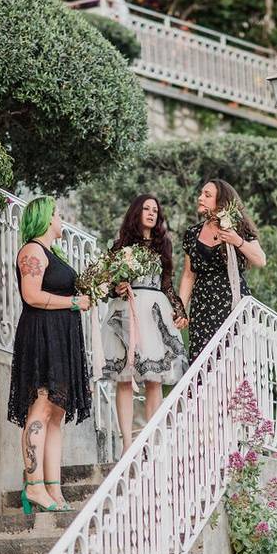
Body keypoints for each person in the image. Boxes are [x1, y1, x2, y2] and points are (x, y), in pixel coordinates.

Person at [8, 196, 92, 513]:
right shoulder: (33, 251)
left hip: (61, 336)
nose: (61, 218)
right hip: (42, 335)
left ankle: (53, 488)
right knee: (41, 410)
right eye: (57, 213)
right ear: (45, 218)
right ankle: (34, 486)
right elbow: (31, 295)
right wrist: (72, 303)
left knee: (56, 414)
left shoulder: (52, 253)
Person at [101, 194, 188, 456]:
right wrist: (118, 288)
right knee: (124, 379)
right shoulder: (120, 246)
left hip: (154, 311)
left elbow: (167, 283)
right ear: (136, 212)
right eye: (146, 209)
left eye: (155, 210)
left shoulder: (164, 245)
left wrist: (179, 309)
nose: (151, 213)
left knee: (154, 379)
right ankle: (127, 444)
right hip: (127, 309)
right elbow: (108, 287)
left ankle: (151, 441)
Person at [180, 180, 266, 362]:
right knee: (203, 363)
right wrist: (181, 308)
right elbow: (188, 275)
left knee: (233, 361)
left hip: (232, 305)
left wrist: (237, 241)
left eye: (207, 195)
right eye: (201, 194)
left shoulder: (239, 229)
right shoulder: (191, 233)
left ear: (221, 202)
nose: (200, 198)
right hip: (202, 308)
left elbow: (260, 260)